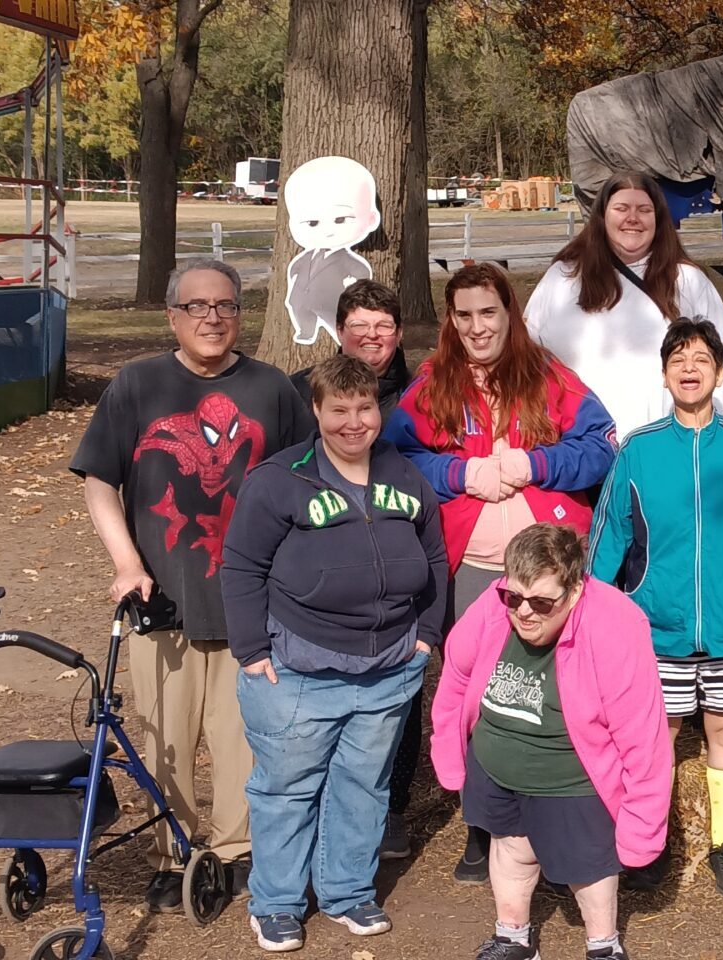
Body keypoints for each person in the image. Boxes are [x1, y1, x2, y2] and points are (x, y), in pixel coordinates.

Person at [69, 258, 312, 911]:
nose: (212, 317)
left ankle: (234, 851)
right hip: (162, 600)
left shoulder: (272, 391)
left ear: (241, 313)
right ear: (173, 315)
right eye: (197, 306)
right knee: (164, 736)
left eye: (226, 305)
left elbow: (306, 482)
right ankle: (169, 849)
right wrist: (126, 562)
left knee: (241, 738)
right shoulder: (137, 385)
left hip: (251, 603)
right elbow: (99, 480)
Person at [385, 262, 618, 878]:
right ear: (450, 320)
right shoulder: (434, 383)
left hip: (548, 570)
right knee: (477, 694)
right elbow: (397, 454)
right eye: (463, 315)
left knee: (552, 694)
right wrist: (458, 474)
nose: (477, 326)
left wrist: (535, 464)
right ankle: (482, 823)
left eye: (488, 312)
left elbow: (599, 445)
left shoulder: (547, 376)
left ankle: (559, 813)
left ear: (509, 312)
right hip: (474, 568)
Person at [220, 355, 450, 952]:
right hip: (298, 668)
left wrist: (425, 635)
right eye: (340, 410)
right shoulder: (280, 479)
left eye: (366, 408)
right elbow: (243, 565)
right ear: (317, 411)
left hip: (388, 668)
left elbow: (432, 558)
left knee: (363, 785)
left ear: (380, 409)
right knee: (287, 789)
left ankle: (348, 891)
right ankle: (276, 902)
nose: (355, 422)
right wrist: (250, 649)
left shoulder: (402, 475)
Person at [587, 319, 723, 898]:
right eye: (677, 358)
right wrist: (599, 612)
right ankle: (647, 846)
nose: (689, 367)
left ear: (720, 372)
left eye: (701, 358)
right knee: (653, 740)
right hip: (655, 629)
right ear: (663, 373)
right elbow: (609, 538)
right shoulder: (639, 450)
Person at [431, 524, 672, 960]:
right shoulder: (495, 603)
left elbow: (644, 735)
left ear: (575, 589)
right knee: (510, 846)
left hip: (570, 779)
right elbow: (458, 673)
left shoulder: (614, 623)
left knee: (589, 867)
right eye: (514, 597)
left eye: (542, 602)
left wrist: (643, 826)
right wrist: (449, 748)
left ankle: (603, 945)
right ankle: (512, 937)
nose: (524, 612)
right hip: (497, 764)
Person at [525, 171, 723, 441]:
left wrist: (718, 441)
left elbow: (722, 368)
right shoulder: (562, 279)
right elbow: (527, 358)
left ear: (659, 219)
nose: (633, 218)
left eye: (644, 210)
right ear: (603, 216)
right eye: (621, 208)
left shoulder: (688, 282)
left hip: (662, 452)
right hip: (578, 452)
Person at [291, 279, 412, 418]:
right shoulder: (299, 392)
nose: (372, 334)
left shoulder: (420, 397)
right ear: (340, 331)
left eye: (384, 326)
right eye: (359, 326)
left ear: (399, 333)